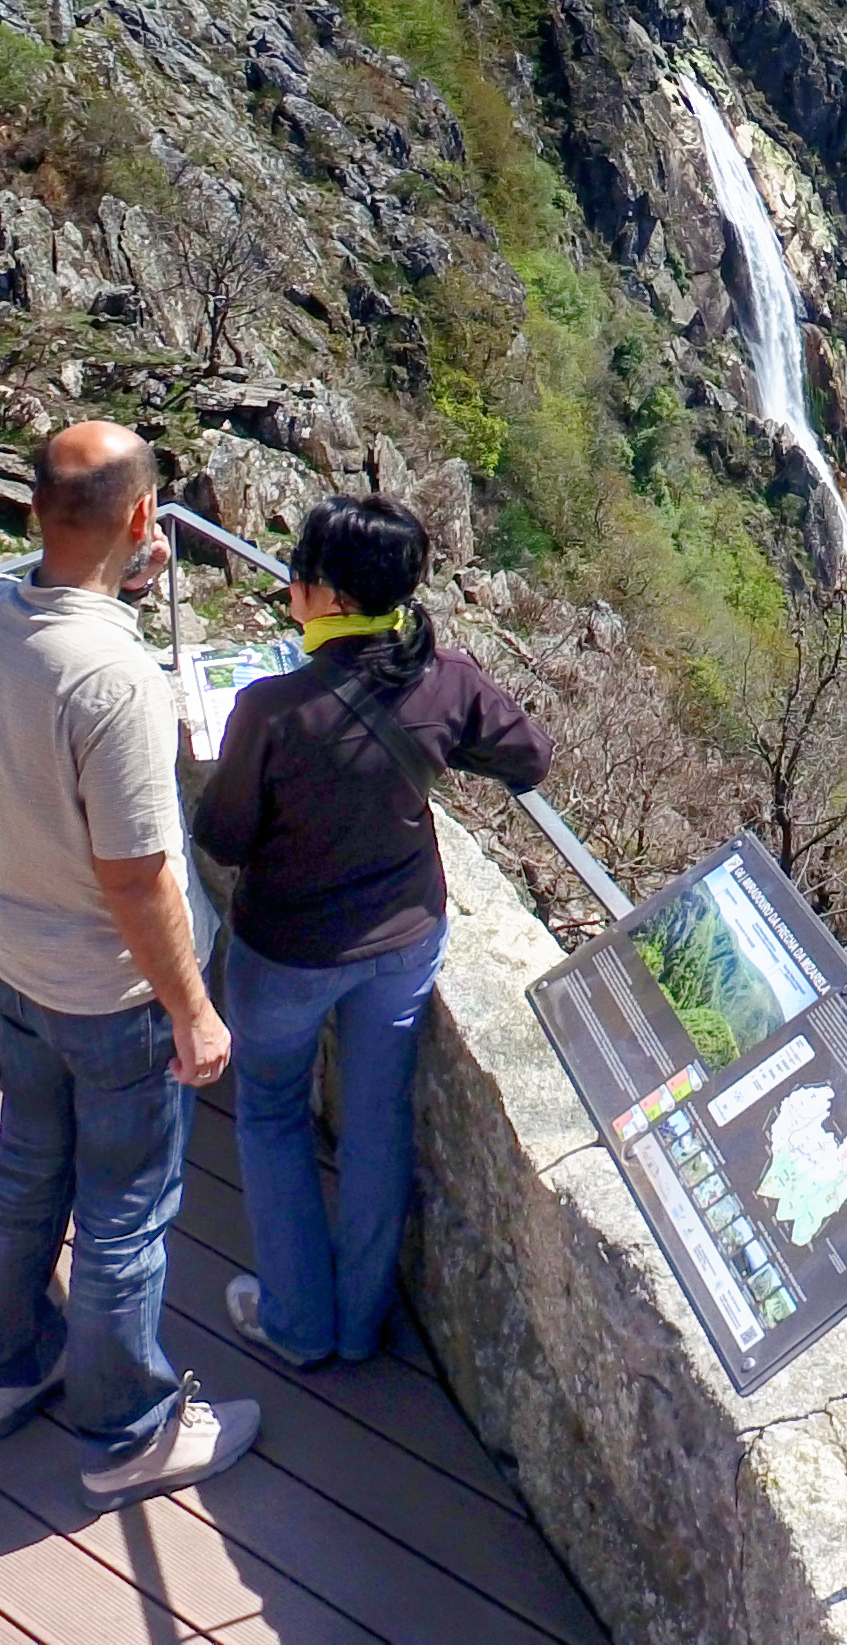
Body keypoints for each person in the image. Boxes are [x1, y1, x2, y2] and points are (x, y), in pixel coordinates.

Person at [0, 419, 259, 1500]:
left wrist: (117, 573)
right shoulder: (117, 680)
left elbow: (55, 632)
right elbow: (137, 875)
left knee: (27, 1169)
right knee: (126, 1207)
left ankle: (6, 1371)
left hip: (15, 959)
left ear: (33, 507)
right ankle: (126, 1430)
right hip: (112, 993)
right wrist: (194, 1012)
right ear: (141, 516)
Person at [196, 492, 552, 1368]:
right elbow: (528, 756)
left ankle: (297, 1322)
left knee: (272, 1116)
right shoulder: (442, 678)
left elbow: (222, 837)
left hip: (287, 949)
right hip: (402, 936)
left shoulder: (274, 708)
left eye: (300, 571)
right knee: (377, 1120)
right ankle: (358, 1323)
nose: (291, 582)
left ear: (329, 594)